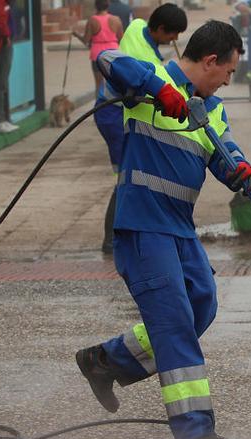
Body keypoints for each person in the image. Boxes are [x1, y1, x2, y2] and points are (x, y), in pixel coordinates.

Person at [76, 20, 251, 439]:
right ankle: (195, 431)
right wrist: (159, 89)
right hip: (142, 227)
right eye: (228, 71)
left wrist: (239, 169)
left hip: (179, 227)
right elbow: (106, 58)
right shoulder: (150, 83)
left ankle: (107, 361)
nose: (229, 80)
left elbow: (224, 147)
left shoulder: (212, 108)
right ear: (210, 61)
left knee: (201, 303)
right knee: (173, 321)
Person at [95, 3, 188, 253]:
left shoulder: (136, 26)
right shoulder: (144, 59)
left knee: (128, 174)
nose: (175, 39)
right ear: (159, 28)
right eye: (172, 34)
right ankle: (110, 240)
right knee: (126, 175)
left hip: (109, 109)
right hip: (114, 115)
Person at [73, 0, 124, 92]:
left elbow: (86, 41)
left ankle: (100, 104)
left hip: (97, 55)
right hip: (114, 54)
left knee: (99, 85)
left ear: (96, 6)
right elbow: (121, 39)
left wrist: (76, 35)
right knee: (115, 83)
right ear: (108, 5)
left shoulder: (92, 20)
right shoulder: (116, 19)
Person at [0, 0, 17, 133]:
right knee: (1, 82)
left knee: (4, 82)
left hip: (4, 42)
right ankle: (0, 119)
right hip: (2, 44)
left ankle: (4, 117)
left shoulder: (5, 2)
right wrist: (6, 36)